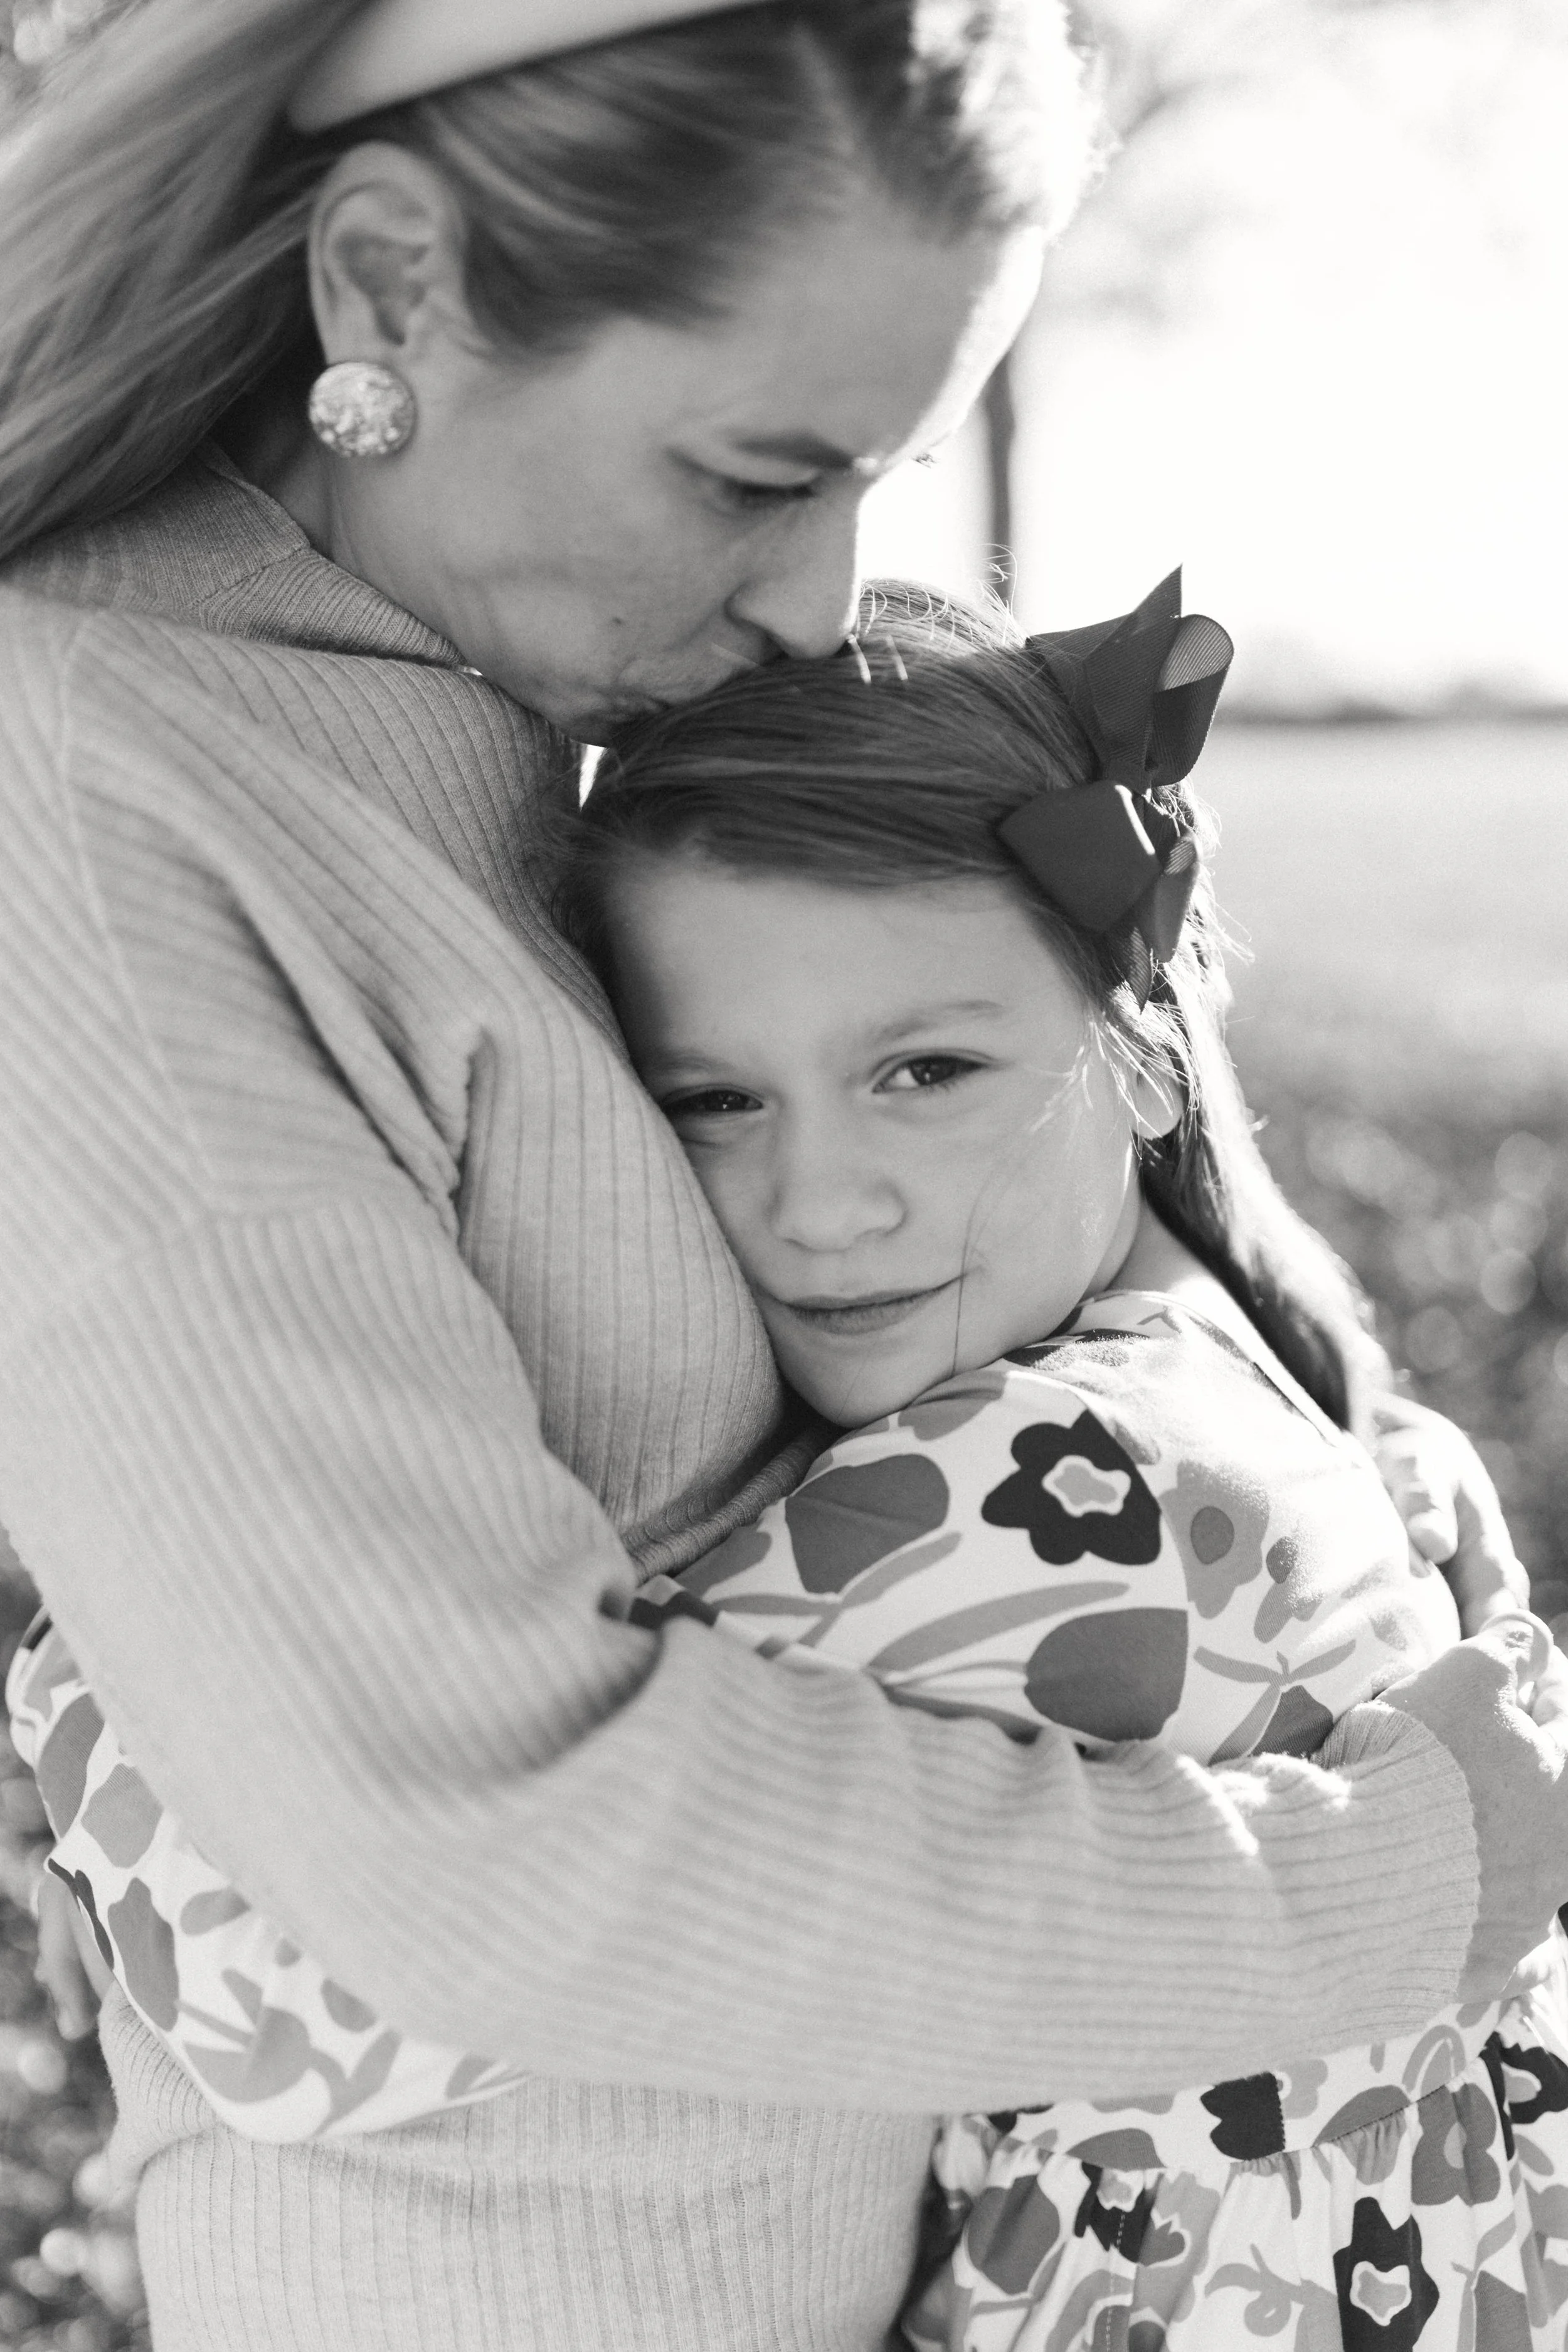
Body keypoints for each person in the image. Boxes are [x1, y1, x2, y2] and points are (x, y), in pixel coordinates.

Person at [0, 2, 1562, 2346]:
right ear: (393, 283)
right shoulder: (100, 805)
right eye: (755, 471)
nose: (823, 599)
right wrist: (1384, 1872)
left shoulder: (491, 692)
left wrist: (1350, 1484)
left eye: (877, 478)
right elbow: (453, 1845)